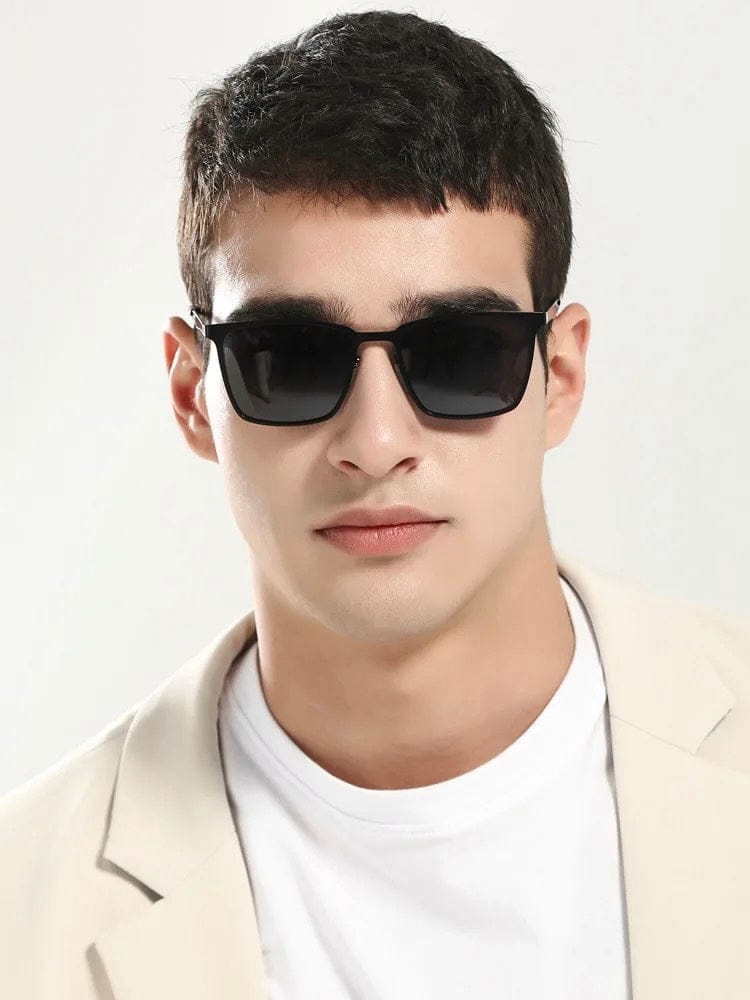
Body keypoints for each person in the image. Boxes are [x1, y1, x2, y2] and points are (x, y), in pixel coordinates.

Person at [1, 10, 749, 999]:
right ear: (192, 394)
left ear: (560, 374)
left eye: (460, 352)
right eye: (290, 359)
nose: (376, 440)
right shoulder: (21, 914)